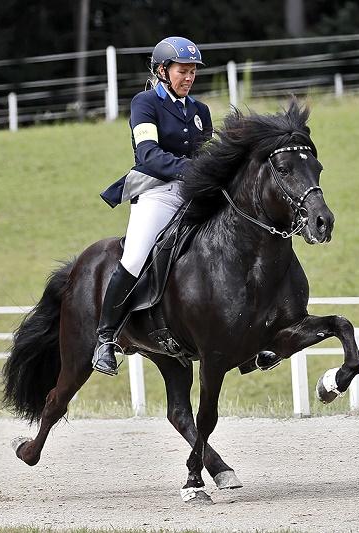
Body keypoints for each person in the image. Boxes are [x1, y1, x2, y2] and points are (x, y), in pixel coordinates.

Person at [94, 36, 213, 376]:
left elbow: (208, 155)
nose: (188, 78)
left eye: (192, 72)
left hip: (194, 191)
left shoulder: (200, 111)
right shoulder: (144, 103)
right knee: (134, 257)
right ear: (163, 70)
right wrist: (193, 169)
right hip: (158, 191)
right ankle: (106, 339)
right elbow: (149, 155)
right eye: (182, 71)